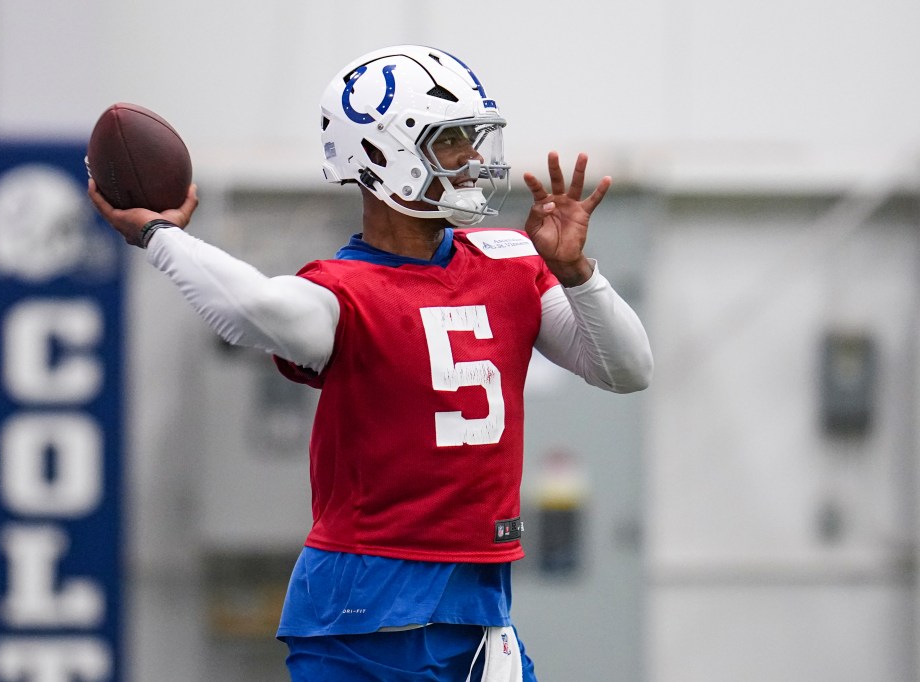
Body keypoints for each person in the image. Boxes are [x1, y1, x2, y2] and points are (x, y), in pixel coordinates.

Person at [89, 44, 653, 682]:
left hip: (478, 606)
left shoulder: (508, 258)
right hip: (366, 611)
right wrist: (160, 236)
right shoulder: (344, 291)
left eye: (474, 139)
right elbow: (251, 308)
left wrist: (577, 274)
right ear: (381, 156)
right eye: (449, 142)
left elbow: (628, 369)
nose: (472, 160)